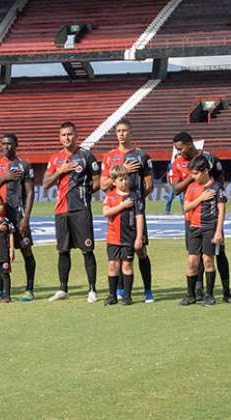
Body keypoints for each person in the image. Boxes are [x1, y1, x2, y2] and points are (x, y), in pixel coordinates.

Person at [170, 131, 231, 303]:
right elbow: (176, 189)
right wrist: (192, 179)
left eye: (181, 148)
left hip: (211, 217)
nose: (179, 152)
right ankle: (198, 291)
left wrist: (211, 194)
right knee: (195, 256)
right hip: (191, 217)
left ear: (190, 144)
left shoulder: (210, 159)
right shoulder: (177, 163)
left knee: (218, 254)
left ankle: (226, 291)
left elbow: (220, 181)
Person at [43, 122, 101, 303]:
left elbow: (98, 182)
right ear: (59, 137)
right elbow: (45, 184)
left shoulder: (86, 156)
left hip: (81, 210)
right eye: (63, 135)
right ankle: (63, 289)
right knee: (63, 250)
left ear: (76, 136)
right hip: (61, 210)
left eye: (69, 134)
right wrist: (59, 171)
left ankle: (92, 289)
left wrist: (84, 194)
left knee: (87, 249)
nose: (66, 138)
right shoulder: (55, 159)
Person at [100, 119, 154, 303]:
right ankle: (121, 291)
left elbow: (149, 184)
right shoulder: (109, 157)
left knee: (140, 250)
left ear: (130, 132)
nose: (121, 134)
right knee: (117, 257)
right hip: (116, 213)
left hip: (134, 212)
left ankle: (148, 290)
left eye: (124, 130)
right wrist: (122, 170)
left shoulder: (142, 156)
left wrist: (136, 200)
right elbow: (103, 185)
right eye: (118, 131)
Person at [0, 133, 36, 302]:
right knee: (1, 254)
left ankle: (29, 289)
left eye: (9, 143)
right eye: (3, 144)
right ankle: (0, 290)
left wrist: (26, 218)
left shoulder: (24, 166)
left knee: (26, 250)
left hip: (19, 216)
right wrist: (3, 178)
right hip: (2, 219)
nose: (6, 146)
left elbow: (30, 193)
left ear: (16, 144)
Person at [181, 155, 226, 306]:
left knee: (208, 261)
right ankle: (190, 294)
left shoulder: (217, 187)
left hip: (210, 228)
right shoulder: (192, 187)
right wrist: (200, 198)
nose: (193, 177)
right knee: (192, 262)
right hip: (194, 228)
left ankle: (209, 295)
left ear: (205, 170)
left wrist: (219, 231)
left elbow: (221, 210)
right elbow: (186, 207)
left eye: (195, 174)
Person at [102, 165, 145, 306]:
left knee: (127, 265)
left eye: (126, 178)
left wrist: (139, 237)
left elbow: (139, 217)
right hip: (113, 238)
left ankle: (127, 296)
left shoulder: (134, 196)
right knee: (112, 266)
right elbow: (106, 212)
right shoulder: (110, 196)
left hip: (128, 237)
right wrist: (122, 206)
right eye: (121, 179)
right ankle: (112, 295)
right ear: (114, 182)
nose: (124, 182)